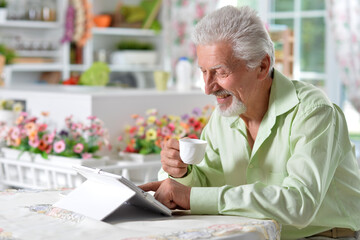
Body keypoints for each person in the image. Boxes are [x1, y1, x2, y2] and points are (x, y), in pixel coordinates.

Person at [139, 5, 360, 240]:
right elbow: (206, 181)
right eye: (203, 71)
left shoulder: (314, 112)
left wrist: (189, 196)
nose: (207, 87)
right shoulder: (225, 116)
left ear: (262, 66)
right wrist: (182, 173)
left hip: (323, 236)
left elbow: (299, 205)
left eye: (220, 72)